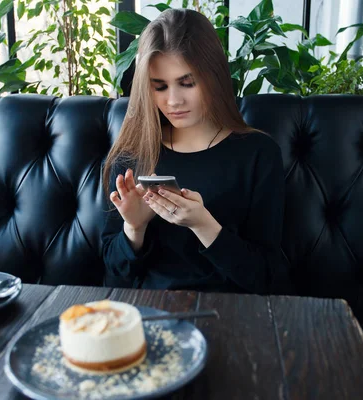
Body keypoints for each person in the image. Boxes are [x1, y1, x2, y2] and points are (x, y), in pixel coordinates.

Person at [101, 8, 290, 295]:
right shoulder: (132, 156)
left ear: (213, 77)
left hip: (235, 314)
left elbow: (266, 277)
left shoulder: (258, 155)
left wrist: (204, 225)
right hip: (150, 313)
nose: (173, 100)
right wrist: (134, 229)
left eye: (187, 83)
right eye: (160, 87)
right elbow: (114, 280)